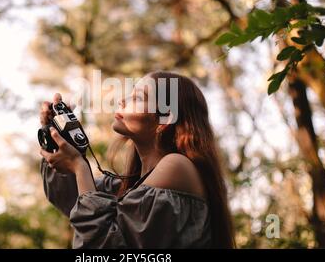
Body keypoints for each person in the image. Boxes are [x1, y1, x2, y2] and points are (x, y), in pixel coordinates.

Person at [39, 71, 235, 248]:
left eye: (138, 97)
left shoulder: (176, 166)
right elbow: (72, 198)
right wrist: (58, 137)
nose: (122, 100)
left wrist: (79, 166)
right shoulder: (128, 186)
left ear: (165, 118)